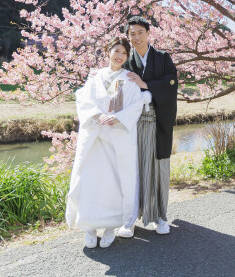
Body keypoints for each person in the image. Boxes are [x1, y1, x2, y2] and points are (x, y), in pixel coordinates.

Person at [65, 36, 151, 248]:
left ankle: (111, 226)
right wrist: (96, 115)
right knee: (90, 180)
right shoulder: (95, 76)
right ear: (107, 51)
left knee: (114, 182)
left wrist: (118, 117)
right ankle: (89, 227)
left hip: (116, 137)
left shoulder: (129, 78)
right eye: (116, 51)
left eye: (124, 52)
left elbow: (137, 103)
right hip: (95, 136)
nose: (120, 56)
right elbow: (83, 99)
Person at [116, 16, 178, 238]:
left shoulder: (162, 58)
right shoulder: (127, 60)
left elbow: (172, 82)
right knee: (132, 169)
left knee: (157, 168)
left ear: (148, 33)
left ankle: (160, 216)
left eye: (140, 32)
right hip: (132, 125)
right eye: (131, 34)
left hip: (156, 121)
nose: (136, 37)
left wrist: (147, 86)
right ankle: (129, 217)